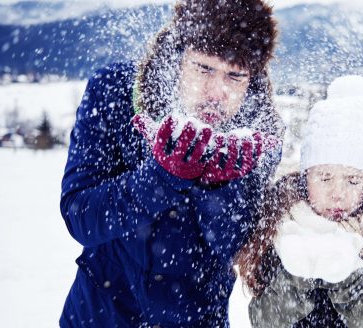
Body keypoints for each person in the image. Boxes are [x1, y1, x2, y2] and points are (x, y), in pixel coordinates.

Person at [59, 0, 283, 326]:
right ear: (177, 59)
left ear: (253, 80)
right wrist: (161, 177)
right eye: (204, 68)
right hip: (101, 315)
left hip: (195, 318)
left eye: (235, 76)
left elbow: (234, 246)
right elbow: (81, 218)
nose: (217, 92)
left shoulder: (259, 137)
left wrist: (217, 186)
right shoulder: (115, 93)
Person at [236, 76, 363, 328]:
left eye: (352, 180)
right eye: (325, 178)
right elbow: (264, 321)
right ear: (306, 177)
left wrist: (348, 270)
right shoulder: (282, 225)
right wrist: (299, 269)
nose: (338, 193)